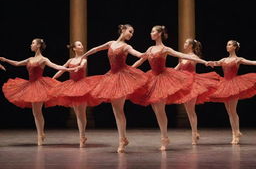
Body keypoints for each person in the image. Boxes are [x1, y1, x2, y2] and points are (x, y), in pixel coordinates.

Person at [130, 26, 210, 150]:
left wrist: (204, 62)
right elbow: (141, 61)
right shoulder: (150, 48)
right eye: (151, 31)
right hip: (152, 79)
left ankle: (164, 138)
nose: (151, 33)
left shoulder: (165, 49)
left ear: (160, 34)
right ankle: (165, 136)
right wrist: (129, 70)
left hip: (163, 79)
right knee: (156, 110)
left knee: (161, 109)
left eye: (153, 31)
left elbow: (181, 55)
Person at [80, 24, 147, 153]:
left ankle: (122, 140)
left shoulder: (126, 46)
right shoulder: (111, 43)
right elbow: (96, 49)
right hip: (111, 77)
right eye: (130, 31)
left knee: (119, 110)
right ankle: (123, 138)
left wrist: (145, 54)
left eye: (132, 33)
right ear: (123, 30)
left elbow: (137, 54)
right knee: (116, 111)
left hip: (122, 78)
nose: (131, 34)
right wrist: (85, 55)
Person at [1, 38, 73, 145]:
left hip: (40, 86)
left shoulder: (43, 59)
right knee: (35, 113)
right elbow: (17, 64)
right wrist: (5, 60)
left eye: (33, 43)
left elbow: (55, 66)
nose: (31, 45)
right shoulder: (29, 59)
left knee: (38, 112)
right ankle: (41, 133)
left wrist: (67, 69)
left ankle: (40, 135)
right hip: (30, 85)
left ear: (38, 45)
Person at [52, 41, 101, 147]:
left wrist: (77, 67)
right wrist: (53, 78)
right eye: (79, 45)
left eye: (82, 44)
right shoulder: (70, 60)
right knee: (77, 113)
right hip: (72, 87)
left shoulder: (83, 59)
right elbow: (62, 70)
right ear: (74, 49)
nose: (82, 46)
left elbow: (82, 66)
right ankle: (82, 136)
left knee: (82, 113)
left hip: (82, 86)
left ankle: (82, 136)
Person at [209, 40, 256, 144]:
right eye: (227, 44)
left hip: (234, 84)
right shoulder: (224, 59)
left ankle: (236, 134)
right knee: (229, 112)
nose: (227, 46)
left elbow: (252, 62)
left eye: (229, 44)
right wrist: (210, 63)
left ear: (234, 47)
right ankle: (235, 133)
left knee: (233, 110)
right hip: (224, 85)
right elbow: (216, 63)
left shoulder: (238, 59)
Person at [175, 38, 219, 144]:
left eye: (186, 42)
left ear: (191, 46)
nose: (184, 44)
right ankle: (195, 132)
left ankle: (194, 134)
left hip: (192, 84)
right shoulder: (182, 56)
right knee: (188, 111)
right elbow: (176, 68)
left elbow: (200, 61)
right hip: (183, 84)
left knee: (191, 110)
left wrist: (207, 63)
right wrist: (167, 74)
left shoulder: (194, 57)